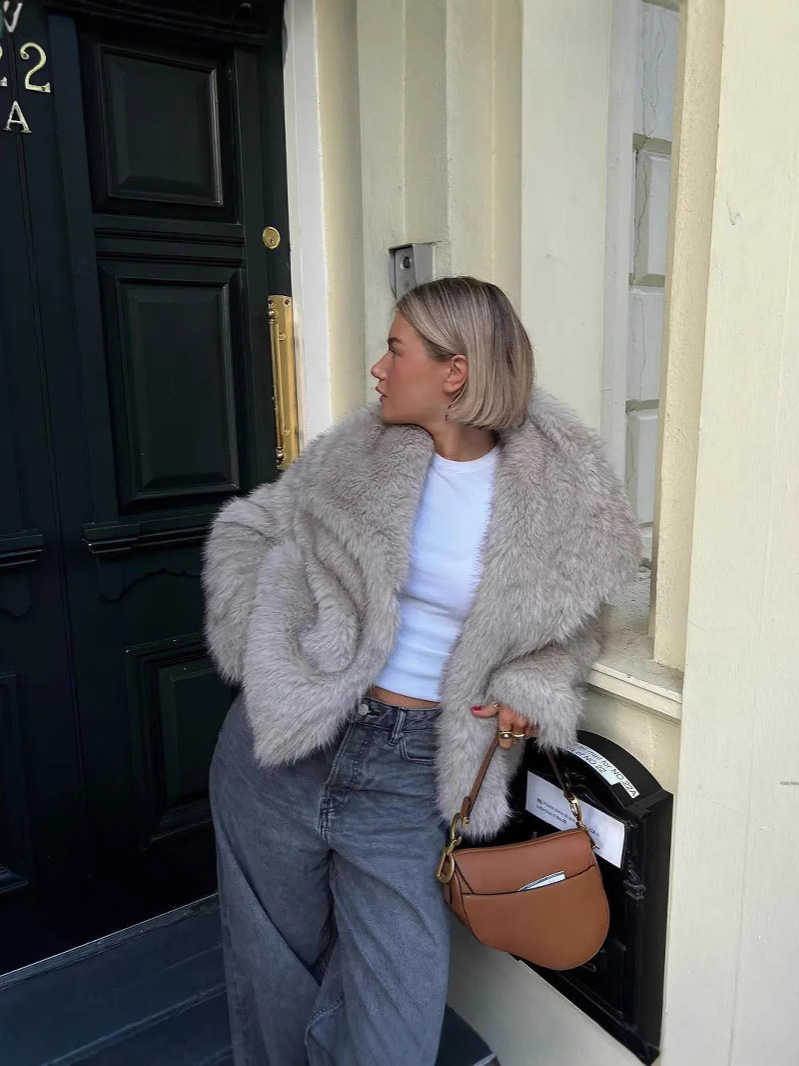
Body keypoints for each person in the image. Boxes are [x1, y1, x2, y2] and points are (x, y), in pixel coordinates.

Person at [203, 276, 641, 1066]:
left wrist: (530, 687)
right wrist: (258, 642)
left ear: (454, 372)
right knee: (271, 973)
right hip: (286, 748)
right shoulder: (357, 454)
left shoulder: (560, 493)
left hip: (413, 772)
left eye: (395, 350)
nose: (377, 368)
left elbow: (573, 625)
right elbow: (250, 530)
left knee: (396, 1015)